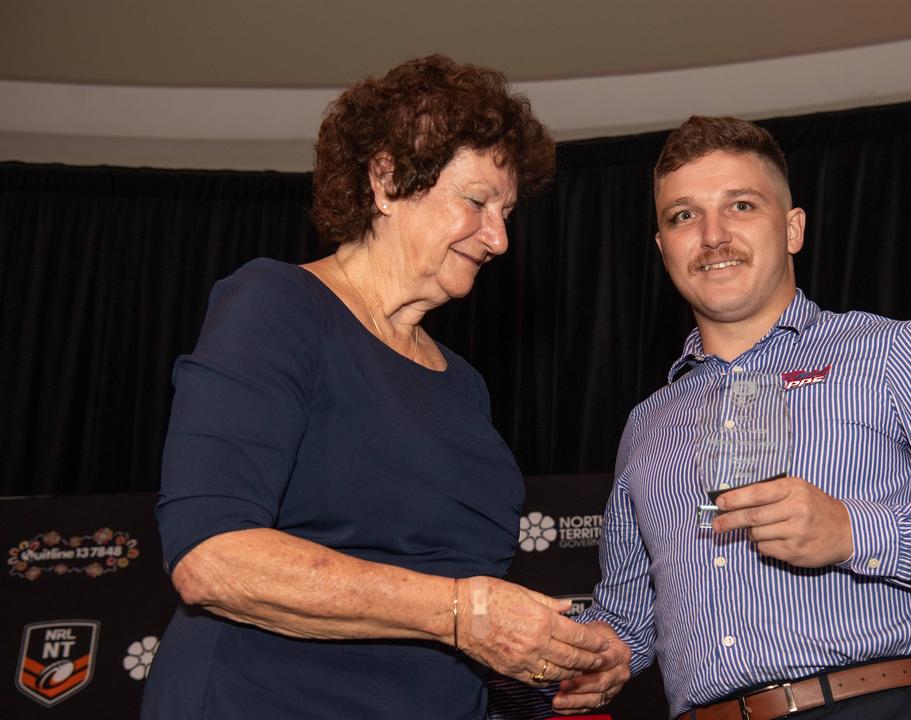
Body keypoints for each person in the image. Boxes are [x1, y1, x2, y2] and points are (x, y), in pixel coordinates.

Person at [141, 55, 611, 720]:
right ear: (386, 179)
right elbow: (212, 559)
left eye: (507, 212)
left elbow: (442, 613)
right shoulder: (277, 307)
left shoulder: (464, 385)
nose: (500, 239)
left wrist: (549, 667)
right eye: (477, 202)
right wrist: (462, 614)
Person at [553, 116, 911, 719]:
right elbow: (630, 616)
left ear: (793, 228)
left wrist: (851, 532)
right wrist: (598, 652)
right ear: (663, 248)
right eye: (683, 216)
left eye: (740, 205)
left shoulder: (890, 352)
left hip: (873, 704)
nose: (712, 236)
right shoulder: (649, 423)